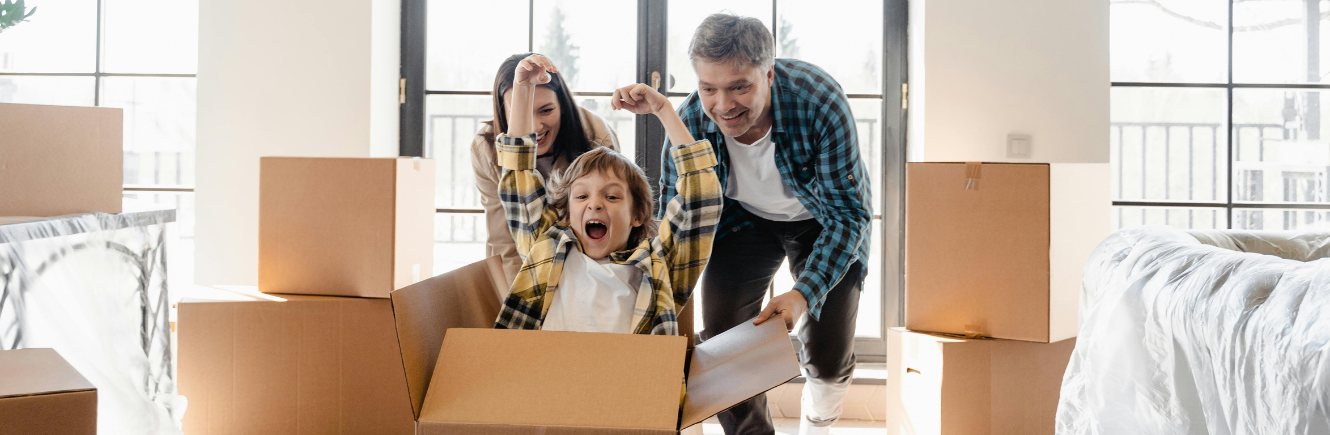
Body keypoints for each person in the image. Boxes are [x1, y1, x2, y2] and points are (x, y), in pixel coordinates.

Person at [657, 14, 873, 435]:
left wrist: (801, 295)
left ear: (768, 73)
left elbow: (849, 216)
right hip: (742, 221)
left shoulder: (819, 102)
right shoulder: (691, 121)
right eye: (709, 88)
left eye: (740, 86)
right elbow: (672, 216)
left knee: (828, 358)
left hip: (822, 220)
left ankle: (819, 417)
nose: (723, 104)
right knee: (722, 341)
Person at [492, 54, 722, 335]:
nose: (595, 204)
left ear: (637, 215)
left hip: (624, 378)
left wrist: (663, 110)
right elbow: (518, 179)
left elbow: (700, 203)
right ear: (565, 213)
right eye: (581, 197)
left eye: (612, 197)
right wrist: (523, 88)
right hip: (549, 376)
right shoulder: (546, 250)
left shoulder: (657, 267)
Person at [472, 52, 620, 287]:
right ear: (502, 110)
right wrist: (519, 306)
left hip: (588, 266)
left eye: (546, 110)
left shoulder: (595, 135)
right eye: (519, 111)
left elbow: (613, 228)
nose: (535, 127)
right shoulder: (485, 148)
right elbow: (503, 242)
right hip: (526, 264)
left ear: (563, 105)